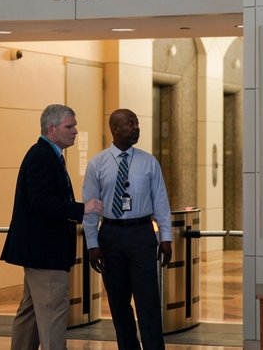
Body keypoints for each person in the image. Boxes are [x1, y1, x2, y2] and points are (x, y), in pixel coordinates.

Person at [0, 104, 103, 350]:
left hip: (39, 251)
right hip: (45, 253)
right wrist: (82, 209)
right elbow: (40, 201)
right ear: (51, 128)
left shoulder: (49, 154)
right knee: (53, 314)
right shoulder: (42, 156)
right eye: (69, 126)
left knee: (32, 312)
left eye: (74, 126)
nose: (75, 131)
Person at [82, 108, 173, 350]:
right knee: (119, 303)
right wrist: (92, 244)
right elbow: (90, 208)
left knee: (148, 302)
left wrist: (166, 238)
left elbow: (161, 203)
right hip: (111, 235)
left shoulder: (148, 162)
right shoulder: (97, 164)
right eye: (130, 123)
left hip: (141, 234)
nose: (136, 127)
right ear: (115, 128)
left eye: (137, 123)